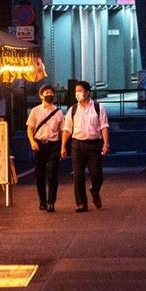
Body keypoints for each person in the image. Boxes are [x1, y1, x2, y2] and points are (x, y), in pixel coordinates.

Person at [60, 80, 109, 212]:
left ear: (87, 92)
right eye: (76, 91)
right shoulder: (73, 110)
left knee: (97, 174)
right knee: (78, 176)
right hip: (77, 145)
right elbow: (67, 129)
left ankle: (95, 189)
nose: (77, 94)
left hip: (94, 145)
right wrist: (63, 146)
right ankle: (81, 203)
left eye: (80, 91)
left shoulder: (98, 108)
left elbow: (104, 126)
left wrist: (106, 143)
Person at [26, 84, 65, 212]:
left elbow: (62, 131)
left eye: (51, 93)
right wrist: (32, 142)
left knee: (53, 174)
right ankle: (42, 200)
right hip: (39, 145)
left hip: (53, 145)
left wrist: (62, 146)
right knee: (39, 175)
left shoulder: (59, 113)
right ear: (41, 95)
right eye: (46, 93)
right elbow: (30, 128)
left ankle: (51, 201)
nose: (49, 95)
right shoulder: (35, 111)